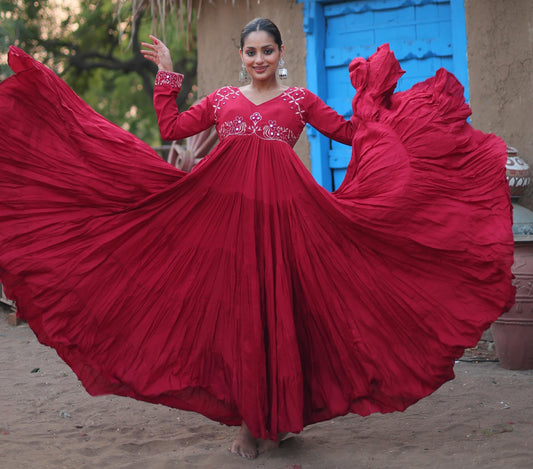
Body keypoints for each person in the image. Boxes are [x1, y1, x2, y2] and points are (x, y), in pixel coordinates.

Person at [0, 17, 514, 461]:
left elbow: (351, 134)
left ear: (280, 53)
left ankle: (284, 415)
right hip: (230, 223)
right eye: (251, 52)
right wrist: (167, 75)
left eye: (268, 50)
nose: (259, 58)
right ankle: (250, 423)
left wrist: (377, 109)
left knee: (287, 312)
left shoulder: (300, 100)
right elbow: (173, 127)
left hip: (291, 221)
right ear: (241, 56)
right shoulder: (223, 99)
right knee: (243, 315)